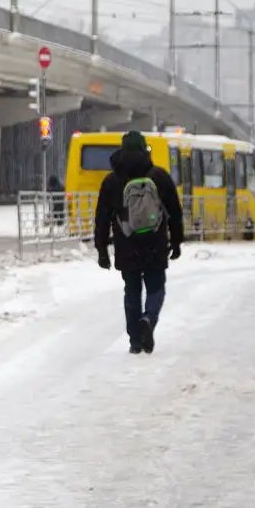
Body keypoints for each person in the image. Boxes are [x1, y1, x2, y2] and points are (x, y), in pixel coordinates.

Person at [93, 131, 184, 354]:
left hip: (126, 244)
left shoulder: (112, 181)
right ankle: (148, 319)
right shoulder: (159, 177)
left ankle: (135, 340)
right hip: (155, 242)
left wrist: (102, 249)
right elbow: (175, 211)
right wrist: (177, 241)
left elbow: (102, 217)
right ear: (145, 149)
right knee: (156, 288)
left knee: (131, 291)